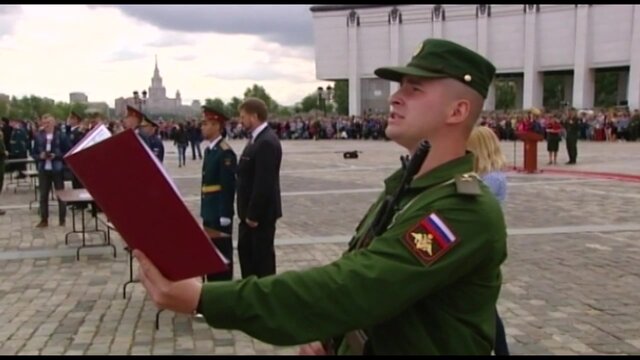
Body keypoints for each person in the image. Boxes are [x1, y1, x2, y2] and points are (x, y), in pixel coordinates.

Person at [134, 38, 507, 355]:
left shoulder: (461, 211)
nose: (395, 98)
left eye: (415, 89)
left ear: (458, 111)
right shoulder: (410, 188)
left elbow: (353, 287)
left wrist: (206, 299)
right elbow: (372, 294)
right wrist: (332, 339)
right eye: (400, 87)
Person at [466, 125, 509, 356]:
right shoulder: (479, 175)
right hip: (476, 242)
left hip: (481, 245)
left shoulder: (492, 178)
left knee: (486, 306)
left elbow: (467, 200)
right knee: (485, 306)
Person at [235, 97, 283, 279]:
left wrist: (253, 215)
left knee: (261, 264)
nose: (241, 121)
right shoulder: (256, 140)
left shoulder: (266, 142)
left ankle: (264, 303)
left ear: (254, 116)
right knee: (249, 262)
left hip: (259, 218)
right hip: (250, 217)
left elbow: (264, 182)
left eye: (243, 117)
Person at [200, 105, 237, 282]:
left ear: (216, 125)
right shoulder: (210, 150)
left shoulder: (225, 152)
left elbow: (227, 185)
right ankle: (213, 286)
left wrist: (225, 213)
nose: (202, 127)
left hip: (218, 213)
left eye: (206, 123)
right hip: (209, 211)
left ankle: (223, 288)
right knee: (211, 253)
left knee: (222, 254)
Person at [32, 114, 70, 228]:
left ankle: (62, 219)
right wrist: (40, 156)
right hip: (43, 169)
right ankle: (44, 219)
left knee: (60, 195)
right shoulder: (38, 136)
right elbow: (33, 153)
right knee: (43, 196)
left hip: (57, 169)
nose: (46, 125)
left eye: (48, 122)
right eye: (44, 123)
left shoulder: (61, 136)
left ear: (53, 123)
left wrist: (56, 155)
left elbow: (67, 152)